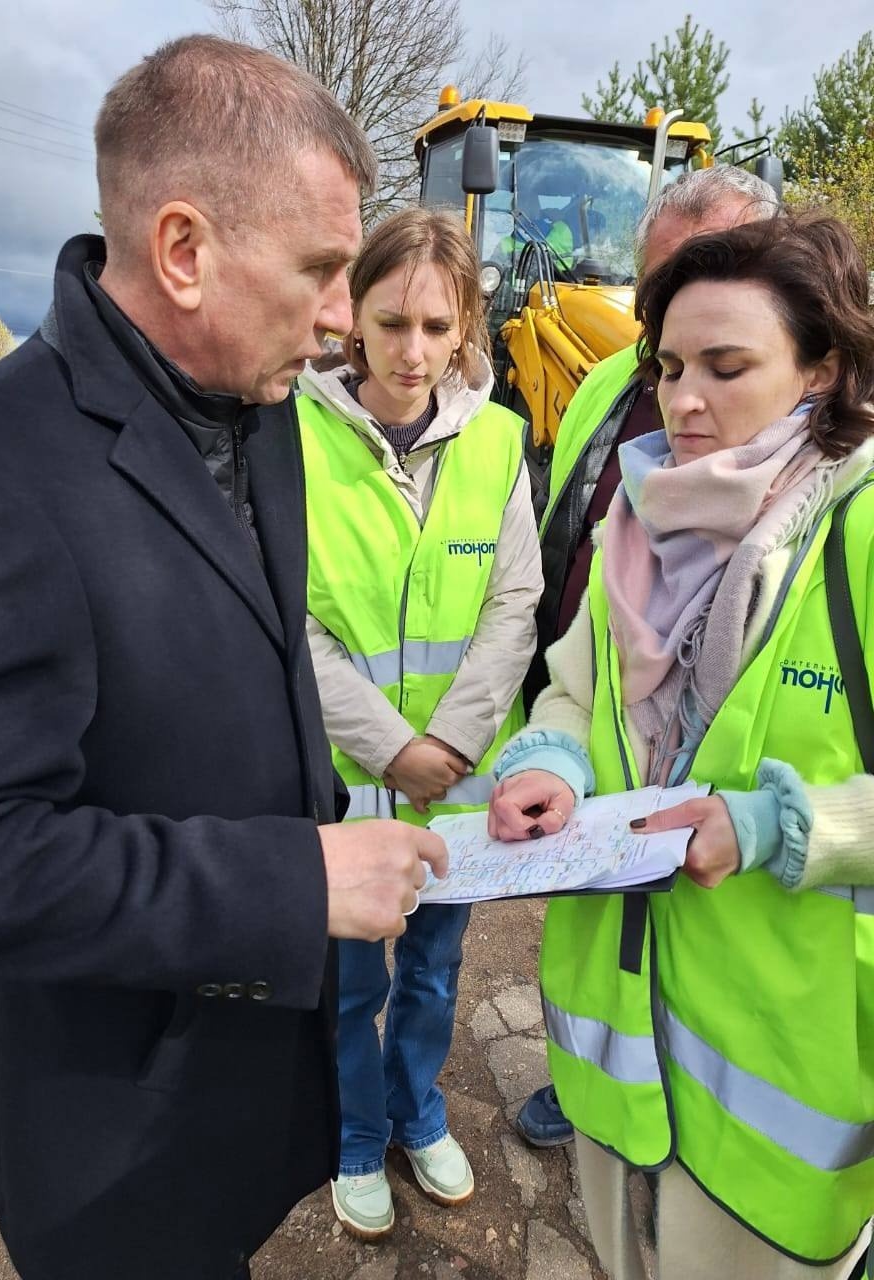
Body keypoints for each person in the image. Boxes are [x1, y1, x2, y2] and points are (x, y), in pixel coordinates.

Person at [0, 36, 450, 1280]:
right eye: (320, 270)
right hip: (117, 1139)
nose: (341, 320)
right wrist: (291, 883)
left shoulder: (260, 412)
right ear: (183, 250)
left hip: (243, 1088)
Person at [489, 213, 874, 1279]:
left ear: (821, 369)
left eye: (726, 366)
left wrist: (775, 826)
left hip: (786, 1077)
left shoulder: (862, 532)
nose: (684, 399)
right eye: (668, 367)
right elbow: (576, 689)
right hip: (618, 1032)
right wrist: (549, 761)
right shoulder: (639, 521)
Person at [515, 164, 780, 1149]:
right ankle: (590, 1075)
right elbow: (569, 541)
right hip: (606, 771)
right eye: (657, 292)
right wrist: (551, 738)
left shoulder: (841, 509)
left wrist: (779, 825)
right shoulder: (607, 386)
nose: (683, 390)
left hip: (753, 943)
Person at [295, 208, 543, 1239]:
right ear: (352, 314)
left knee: (436, 970)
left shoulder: (497, 441)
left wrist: (450, 746)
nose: (413, 351)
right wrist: (391, 747)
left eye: (437, 327)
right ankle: (357, 1135)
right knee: (352, 980)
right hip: (348, 783)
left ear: (465, 326)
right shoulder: (293, 435)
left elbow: (514, 603)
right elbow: (291, 619)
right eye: (392, 323)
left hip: (460, 787)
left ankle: (417, 1110)